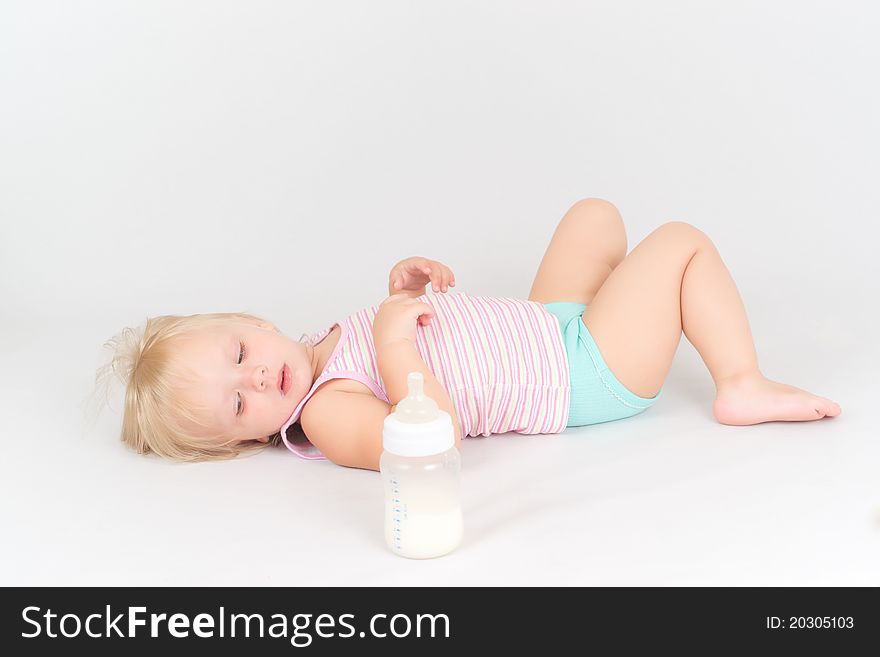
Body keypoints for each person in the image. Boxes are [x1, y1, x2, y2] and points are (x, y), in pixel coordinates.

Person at [93, 198, 840, 469]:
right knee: (680, 240)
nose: (255, 379)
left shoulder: (319, 344)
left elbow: (422, 337)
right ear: (248, 439)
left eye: (239, 355)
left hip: (543, 325)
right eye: (236, 405)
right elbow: (430, 438)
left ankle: (624, 297)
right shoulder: (323, 410)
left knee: (594, 215)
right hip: (575, 373)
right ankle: (741, 381)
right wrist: (394, 340)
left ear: (252, 323)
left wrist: (403, 296)